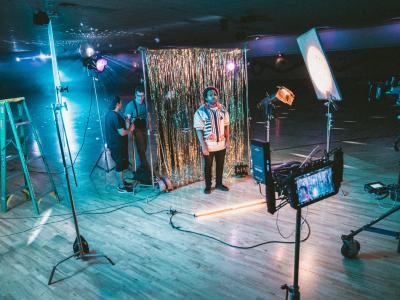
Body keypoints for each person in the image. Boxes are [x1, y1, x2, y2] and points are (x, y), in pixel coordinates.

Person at [194, 86, 230, 194]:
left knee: (220, 165)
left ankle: (219, 184)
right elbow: (198, 130)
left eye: (215, 94)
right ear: (206, 98)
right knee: (208, 167)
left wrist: (228, 140)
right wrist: (203, 146)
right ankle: (208, 186)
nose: (213, 96)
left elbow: (227, 126)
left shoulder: (223, 109)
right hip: (209, 146)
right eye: (210, 95)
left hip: (221, 144)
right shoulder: (200, 111)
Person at [105, 96, 135, 193]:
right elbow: (122, 132)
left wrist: (126, 122)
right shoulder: (115, 116)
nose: (122, 105)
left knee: (121, 165)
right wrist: (130, 129)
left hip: (114, 144)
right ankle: (121, 187)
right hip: (117, 145)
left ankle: (123, 182)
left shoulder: (110, 114)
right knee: (119, 166)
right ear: (117, 104)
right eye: (121, 103)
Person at [125, 86, 150, 172]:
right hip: (136, 128)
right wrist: (129, 129)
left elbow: (148, 115)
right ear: (135, 95)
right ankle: (146, 166)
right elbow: (127, 118)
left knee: (144, 147)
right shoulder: (130, 105)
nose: (141, 98)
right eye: (139, 96)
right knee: (140, 147)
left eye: (142, 96)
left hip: (143, 127)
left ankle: (141, 166)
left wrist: (149, 125)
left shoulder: (145, 104)